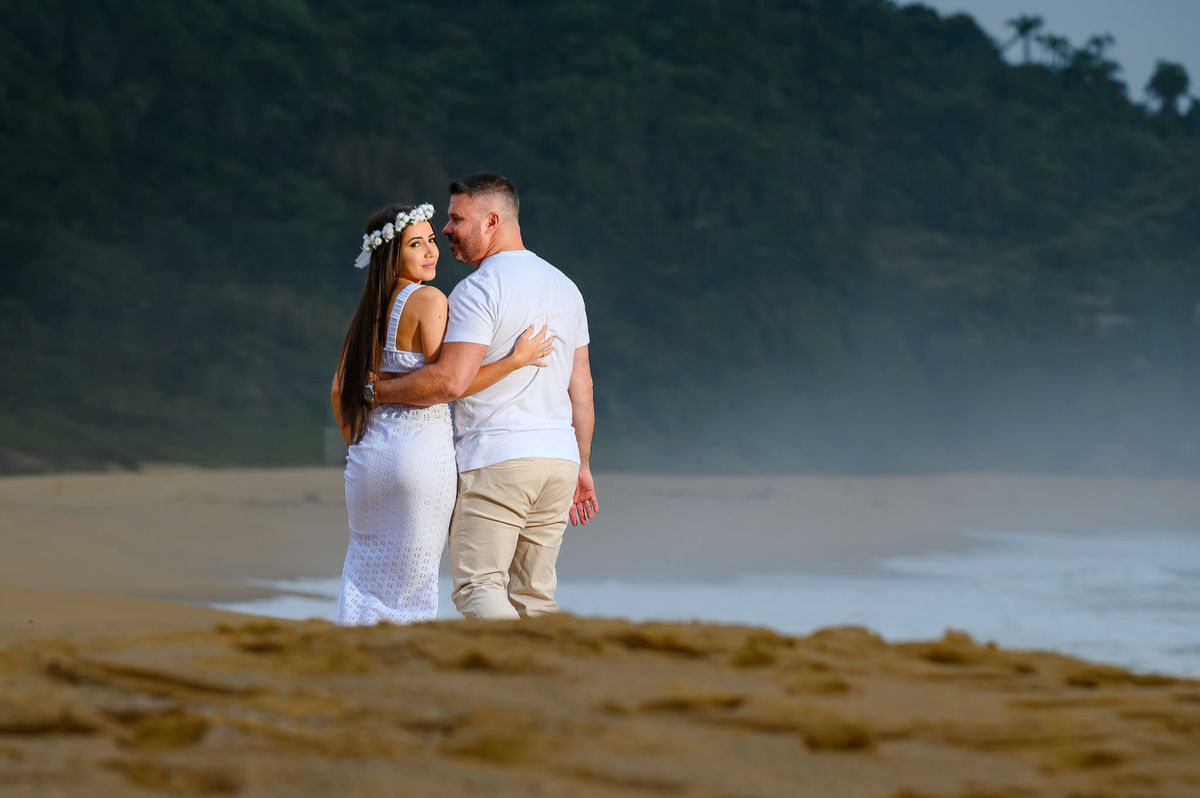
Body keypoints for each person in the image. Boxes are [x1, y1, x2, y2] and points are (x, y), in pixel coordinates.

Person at [372, 174, 597, 621]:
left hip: (498, 458)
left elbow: (450, 382)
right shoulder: (566, 287)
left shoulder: (479, 290)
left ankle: (517, 680)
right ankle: (552, 683)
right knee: (536, 597)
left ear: (492, 221)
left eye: (457, 218)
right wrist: (584, 465)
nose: (449, 230)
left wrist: (377, 391)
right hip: (559, 461)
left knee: (478, 587)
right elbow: (582, 386)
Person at [330, 202, 554, 626]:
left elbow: (341, 389)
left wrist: (361, 444)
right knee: (412, 588)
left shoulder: (367, 313)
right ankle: (399, 672)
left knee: (364, 575)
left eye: (432, 240)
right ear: (392, 254)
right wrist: (516, 359)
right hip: (419, 456)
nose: (431, 250)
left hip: (369, 457)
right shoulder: (428, 299)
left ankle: (353, 656)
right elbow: (450, 384)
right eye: (417, 244)